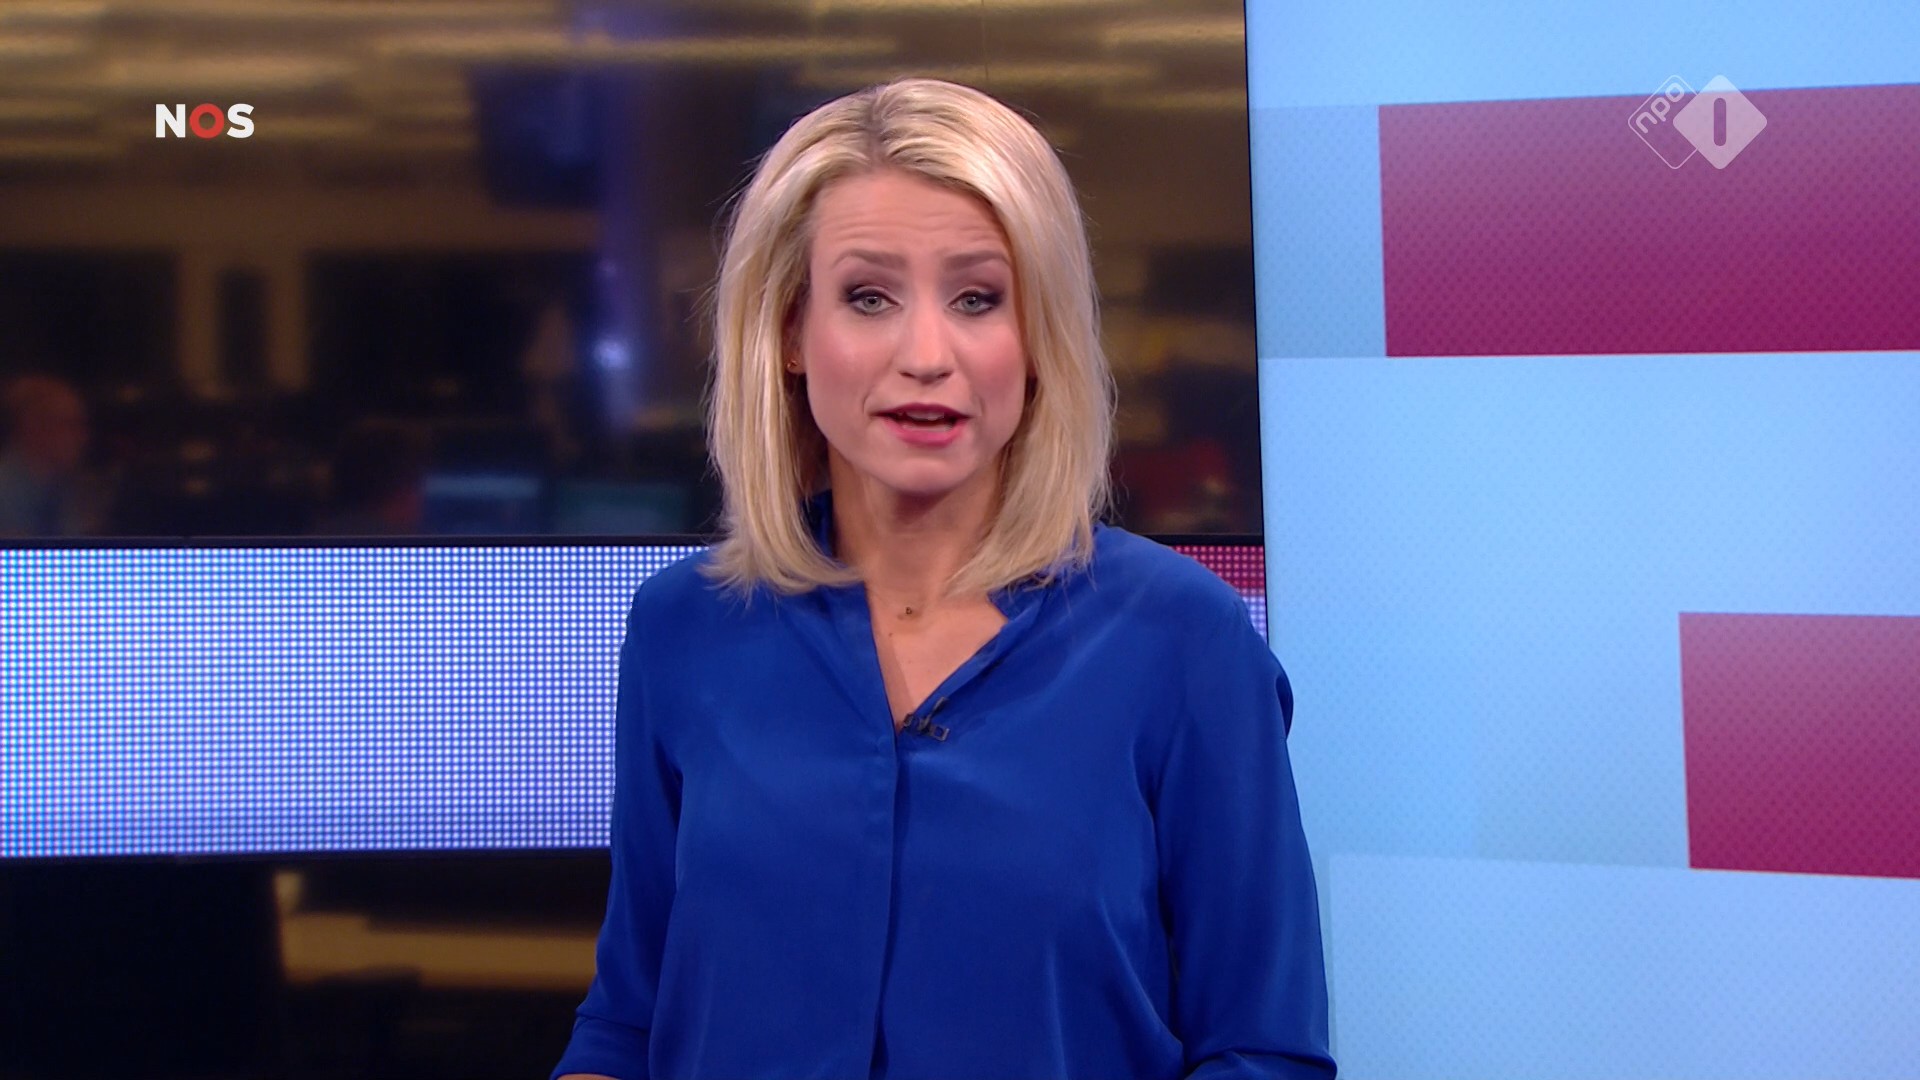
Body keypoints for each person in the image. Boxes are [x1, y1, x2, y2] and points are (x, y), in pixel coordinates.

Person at [552, 78, 1333, 1080]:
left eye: (977, 298)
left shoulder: (1184, 642)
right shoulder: (683, 630)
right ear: (788, 332)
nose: (927, 355)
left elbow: (1263, 1050)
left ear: (1038, 335)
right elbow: (629, 1019)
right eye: (867, 298)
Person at [0, 374, 96, 538]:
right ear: (34, 428)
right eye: (70, 424)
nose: (82, 436)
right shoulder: (6, 494)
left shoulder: (59, 486)